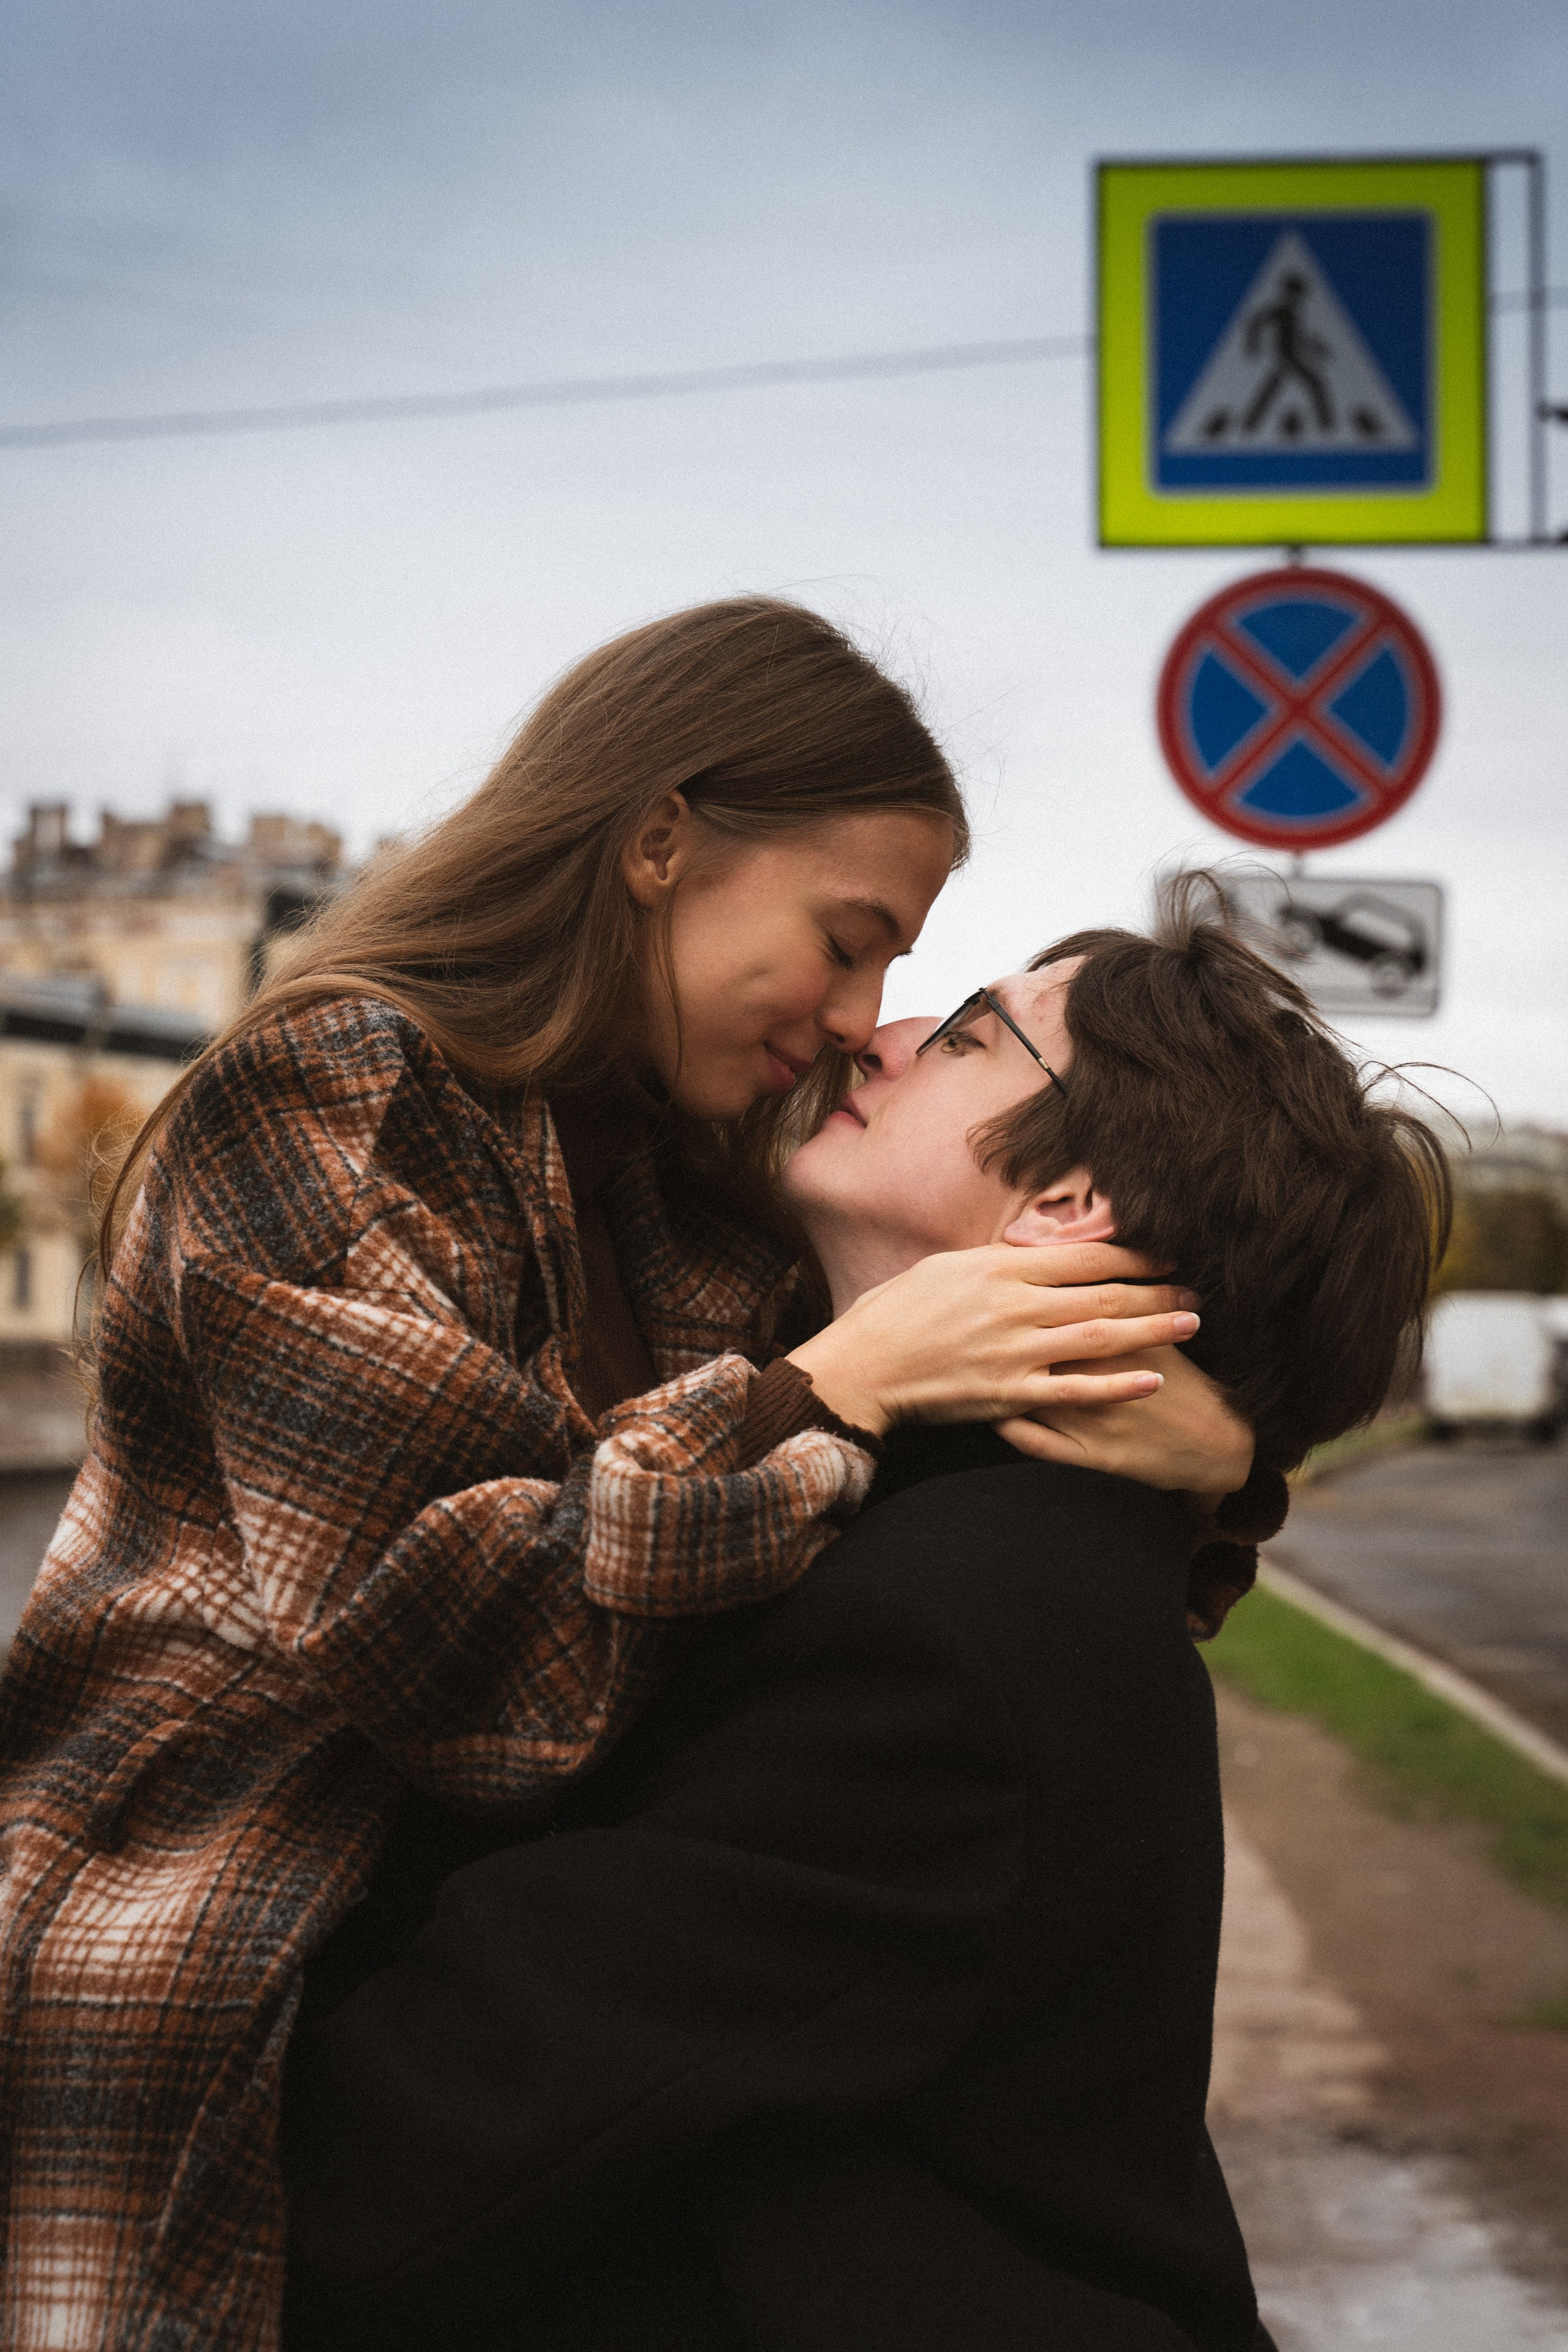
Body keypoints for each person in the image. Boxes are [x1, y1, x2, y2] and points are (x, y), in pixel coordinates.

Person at [0, 603, 1252, 2351]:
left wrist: (1205, 1471)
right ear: (661, 841)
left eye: (903, 979)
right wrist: (832, 1389)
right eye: (846, 938)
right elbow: (481, 1666)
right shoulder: (326, 1094)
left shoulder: (677, 1199)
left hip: (437, 2034)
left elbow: (871, 1556)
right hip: (203, 2009)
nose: (855, 1017)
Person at [279, 894, 1449, 2350]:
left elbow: (450, 2126)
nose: (878, 1036)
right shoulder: (1018, 1536)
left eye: (965, 1035)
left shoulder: (940, 1628)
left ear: (1064, 1211)